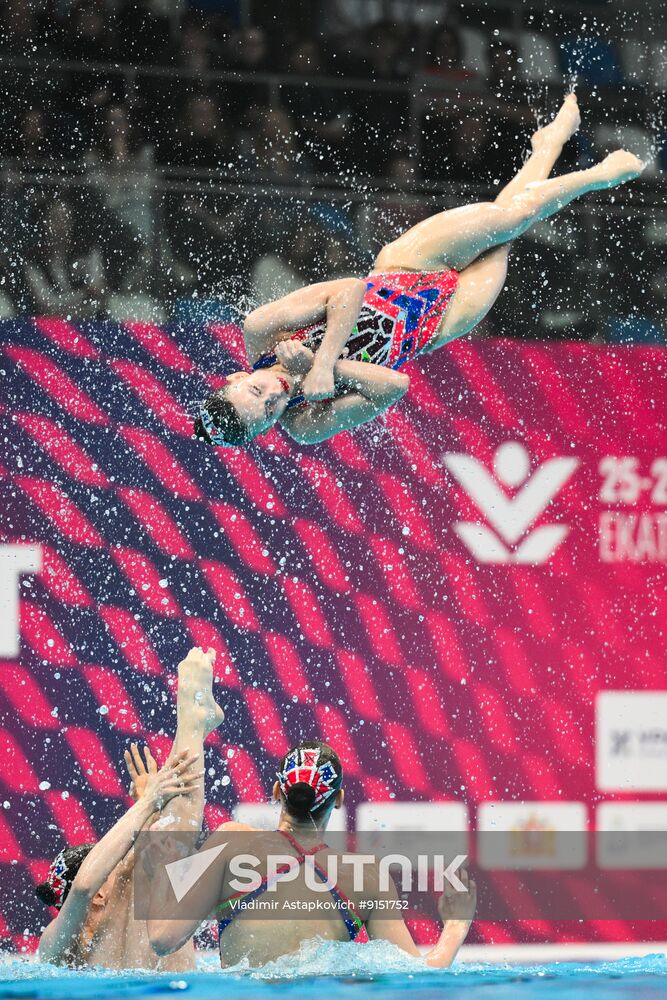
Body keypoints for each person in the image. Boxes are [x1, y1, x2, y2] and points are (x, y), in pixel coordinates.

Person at [193, 94, 644, 448]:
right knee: (509, 228)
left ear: (237, 377)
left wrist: (325, 360)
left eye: (256, 393)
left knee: (507, 219)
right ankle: (547, 146)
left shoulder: (261, 332)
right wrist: (320, 369)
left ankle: (601, 174)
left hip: (406, 266)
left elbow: (348, 290)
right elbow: (394, 386)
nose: (273, 397)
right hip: (438, 322)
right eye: (270, 411)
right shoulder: (307, 423)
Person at [146, 740, 477, 968]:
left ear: (277, 790)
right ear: (339, 800)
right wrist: (456, 926)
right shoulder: (367, 875)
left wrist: (156, 853)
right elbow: (416, 980)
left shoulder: (232, 843)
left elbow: (162, 938)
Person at [35, 647, 224, 969]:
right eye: (108, 864)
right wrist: (151, 801)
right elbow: (82, 886)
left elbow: (163, 836)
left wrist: (149, 805)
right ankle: (191, 722)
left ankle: (193, 723)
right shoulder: (55, 945)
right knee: (164, 854)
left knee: (160, 850)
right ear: (99, 894)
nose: (119, 860)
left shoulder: (84, 948)